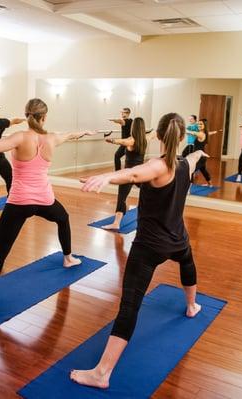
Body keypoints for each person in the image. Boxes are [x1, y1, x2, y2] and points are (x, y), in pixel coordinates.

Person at [71, 112, 204, 389]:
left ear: (157, 135)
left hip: (149, 247)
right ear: (182, 137)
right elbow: (190, 159)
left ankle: (102, 373)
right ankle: (192, 306)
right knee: (187, 263)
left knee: (129, 306)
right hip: (178, 239)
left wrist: (108, 176)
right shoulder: (184, 165)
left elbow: (133, 173)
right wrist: (200, 152)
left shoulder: (158, 165)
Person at [0, 98, 95, 315]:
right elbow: (69, 135)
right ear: (44, 117)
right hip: (44, 200)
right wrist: (83, 133)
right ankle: (68, 258)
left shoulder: (20, 137)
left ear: (27, 115)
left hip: (19, 202)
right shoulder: (52, 138)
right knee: (63, 218)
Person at [101, 117, 154, 230]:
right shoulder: (145, 139)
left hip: (129, 175)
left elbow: (122, 141)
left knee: (121, 198)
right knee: (149, 194)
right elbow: (154, 134)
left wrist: (110, 140)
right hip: (141, 173)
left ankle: (116, 223)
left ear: (133, 127)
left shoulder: (131, 140)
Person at [192, 119, 221, 187]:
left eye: (201, 124)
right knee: (203, 170)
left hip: (199, 157)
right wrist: (215, 132)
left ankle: (188, 188)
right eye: (198, 124)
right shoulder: (206, 133)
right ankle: (210, 184)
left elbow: (192, 132)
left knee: (191, 171)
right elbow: (210, 133)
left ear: (204, 125)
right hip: (202, 156)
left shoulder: (200, 134)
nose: (199, 125)